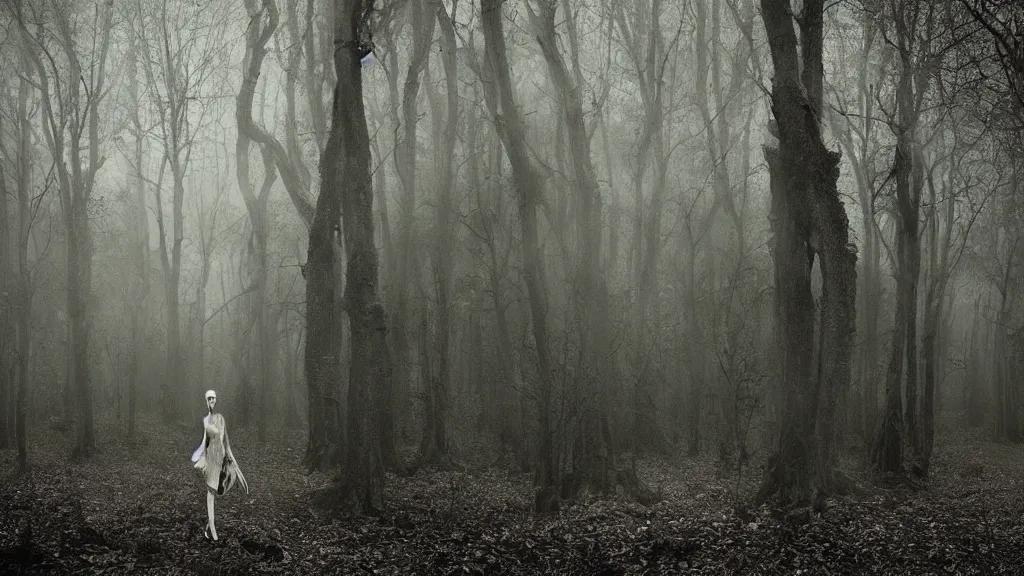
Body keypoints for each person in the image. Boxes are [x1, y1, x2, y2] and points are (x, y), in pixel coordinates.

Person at [191, 389, 248, 541]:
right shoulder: (205, 420)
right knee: (210, 493)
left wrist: (232, 461)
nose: (212, 401)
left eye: (214, 399)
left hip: (221, 457)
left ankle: (209, 527)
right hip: (211, 458)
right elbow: (205, 440)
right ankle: (213, 531)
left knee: (219, 490)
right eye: (209, 399)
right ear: (206, 400)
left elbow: (226, 443)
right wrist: (199, 456)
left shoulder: (221, 419)